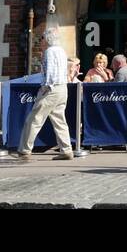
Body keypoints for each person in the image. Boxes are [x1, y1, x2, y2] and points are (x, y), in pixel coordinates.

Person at [17, 27, 75, 161]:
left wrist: (45, 88)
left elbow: (50, 72)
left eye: (42, 38)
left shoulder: (49, 52)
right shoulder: (61, 51)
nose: (41, 40)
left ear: (47, 39)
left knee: (34, 119)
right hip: (62, 88)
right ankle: (66, 150)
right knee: (60, 121)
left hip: (51, 89)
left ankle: (25, 150)